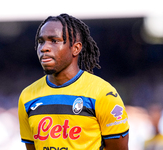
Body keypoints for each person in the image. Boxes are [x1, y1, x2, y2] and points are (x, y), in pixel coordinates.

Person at [18, 13, 129, 150]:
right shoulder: (27, 96)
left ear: (76, 48)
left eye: (54, 41)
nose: (44, 48)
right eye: (41, 41)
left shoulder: (103, 94)